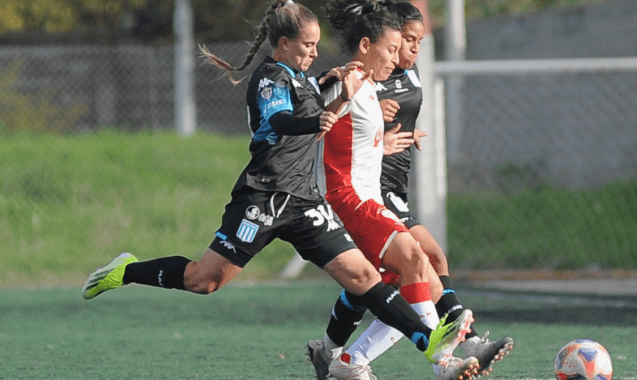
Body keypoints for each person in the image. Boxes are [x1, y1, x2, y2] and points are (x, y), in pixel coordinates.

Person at [80, 0, 472, 371]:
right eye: (307, 45)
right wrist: (321, 117)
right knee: (204, 281)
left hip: (305, 203)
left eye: (318, 45)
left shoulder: (305, 78)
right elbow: (281, 120)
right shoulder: (269, 79)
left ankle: (430, 339)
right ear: (283, 44)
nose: (315, 53)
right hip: (264, 199)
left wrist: (328, 91)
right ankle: (127, 270)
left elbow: (313, 101)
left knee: (363, 277)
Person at [306, 2, 512, 380]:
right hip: (350, 202)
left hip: (368, 201)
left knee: (411, 281)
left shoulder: (367, 87)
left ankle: (349, 361)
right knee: (418, 262)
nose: (397, 55)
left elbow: (349, 141)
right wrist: (330, 94)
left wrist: (381, 145)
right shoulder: (345, 81)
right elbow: (314, 123)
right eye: (391, 47)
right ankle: (442, 361)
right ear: (366, 45)